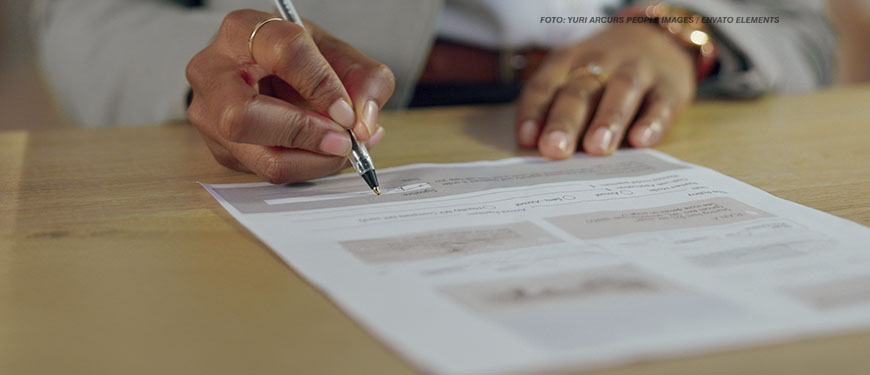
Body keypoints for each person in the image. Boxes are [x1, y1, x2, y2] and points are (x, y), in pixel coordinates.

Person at [32, 0, 835, 184]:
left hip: (653, 131)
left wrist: (673, 32)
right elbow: (83, 16)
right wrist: (208, 76)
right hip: (338, 117)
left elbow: (801, 22)